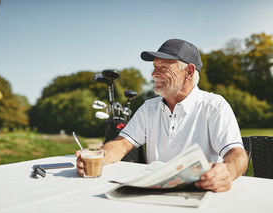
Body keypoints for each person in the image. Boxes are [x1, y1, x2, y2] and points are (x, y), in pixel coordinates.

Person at [76, 39, 248, 192]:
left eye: (163, 67)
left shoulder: (214, 106)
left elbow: (237, 154)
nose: (153, 74)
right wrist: (98, 156)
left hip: (198, 192)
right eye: (154, 67)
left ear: (188, 71)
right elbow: (121, 146)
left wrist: (227, 171)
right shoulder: (149, 107)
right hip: (152, 192)